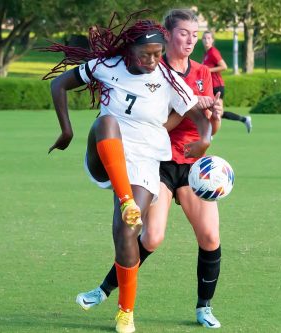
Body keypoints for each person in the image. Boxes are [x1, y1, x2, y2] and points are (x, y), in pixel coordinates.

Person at [45, 17, 217, 333]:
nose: (153, 61)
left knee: (125, 232)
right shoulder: (106, 65)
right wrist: (66, 130)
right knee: (106, 122)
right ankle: (127, 201)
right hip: (105, 151)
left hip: (144, 163)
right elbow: (59, 84)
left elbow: (199, 118)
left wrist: (204, 138)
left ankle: (126, 313)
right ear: (130, 49)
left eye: (158, 53)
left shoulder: (168, 79)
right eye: (146, 54)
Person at [202, 30, 252, 134]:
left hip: (217, 86)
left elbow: (224, 66)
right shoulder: (206, 54)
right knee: (215, 112)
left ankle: (210, 135)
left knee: (217, 112)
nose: (206, 40)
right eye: (204, 38)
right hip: (211, 86)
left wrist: (207, 70)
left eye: (209, 38)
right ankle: (245, 120)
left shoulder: (213, 52)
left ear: (212, 40)